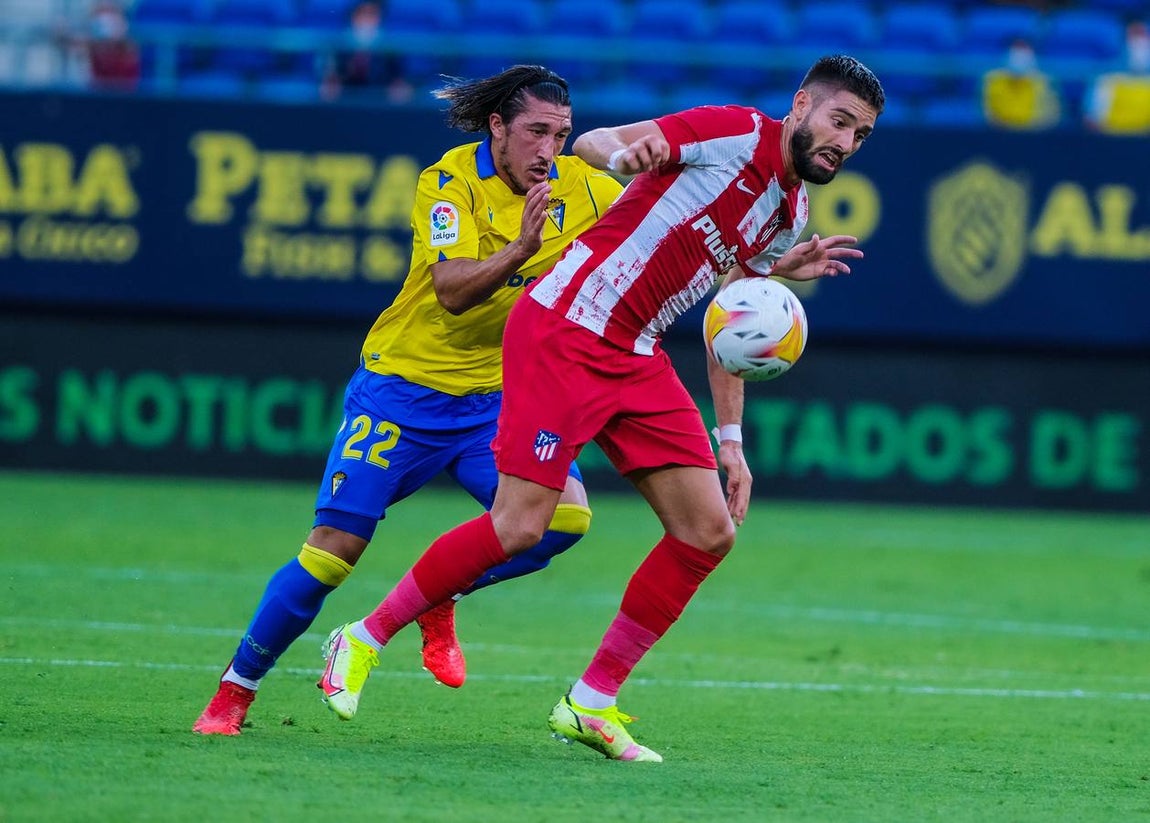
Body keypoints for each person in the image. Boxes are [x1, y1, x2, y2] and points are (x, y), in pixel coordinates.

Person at [317, 54, 884, 762]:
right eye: (839, 121)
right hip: (564, 328)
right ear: (801, 105)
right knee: (523, 524)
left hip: (634, 353)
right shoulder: (733, 132)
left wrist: (731, 439)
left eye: (860, 135)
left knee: (708, 530)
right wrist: (630, 151)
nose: (845, 142)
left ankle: (590, 702)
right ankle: (363, 636)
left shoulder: (789, 212)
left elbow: (729, 318)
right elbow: (592, 145)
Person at [193, 65, 624, 735]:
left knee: (564, 521)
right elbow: (451, 291)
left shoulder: (586, 188)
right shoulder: (447, 183)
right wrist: (521, 249)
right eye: (537, 131)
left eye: (562, 135)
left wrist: (768, 262)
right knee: (332, 551)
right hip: (402, 391)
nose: (550, 149)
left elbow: (668, 233)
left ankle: (437, 595)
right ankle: (233, 692)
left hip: (493, 401)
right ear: (498, 127)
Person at [320, 0, 413, 104]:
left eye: (372, 14)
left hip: (380, 104)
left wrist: (398, 87)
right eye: (362, 13)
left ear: (380, 18)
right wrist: (331, 83)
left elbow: (399, 81)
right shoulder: (336, 46)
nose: (366, 20)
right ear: (352, 16)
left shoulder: (391, 49)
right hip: (344, 103)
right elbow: (329, 79)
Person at [1085, 21, 1150, 136]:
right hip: (1113, 143)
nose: (1138, 44)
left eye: (1142, 37)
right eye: (1133, 37)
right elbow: (1092, 122)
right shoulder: (1106, 80)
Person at [981, 38, 1060, 130]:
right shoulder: (991, 79)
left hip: (1035, 136)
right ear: (1007, 54)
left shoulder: (1046, 81)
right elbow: (986, 114)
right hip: (999, 135)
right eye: (1016, 50)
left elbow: (1052, 117)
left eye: (1024, 50)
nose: (1019, 56)